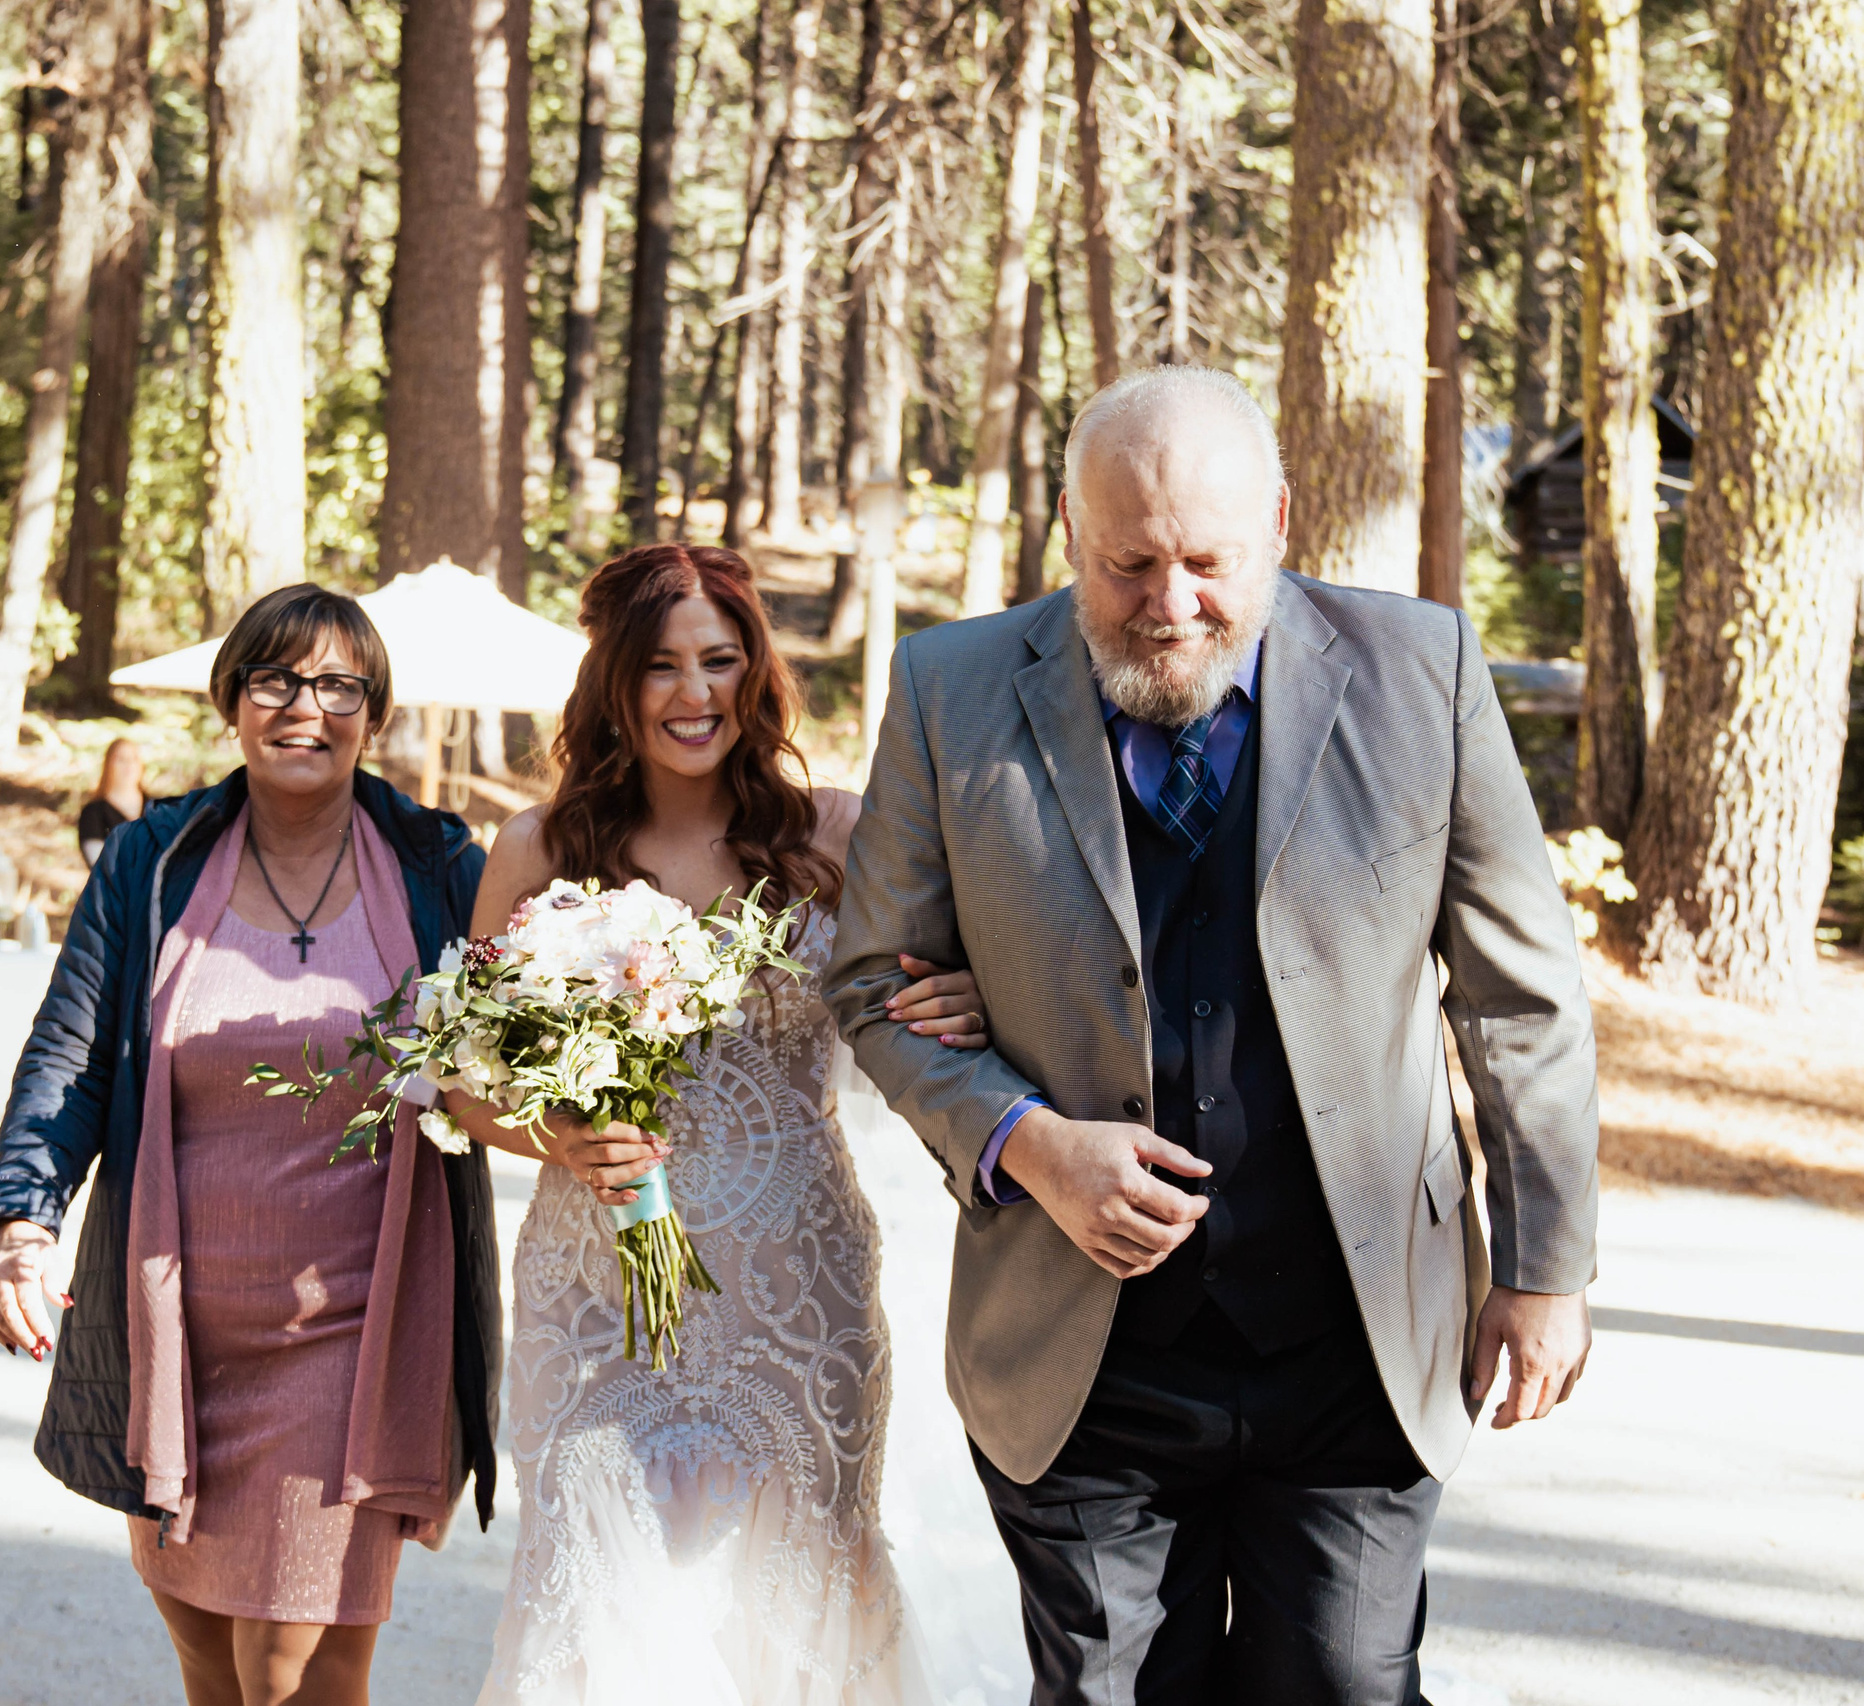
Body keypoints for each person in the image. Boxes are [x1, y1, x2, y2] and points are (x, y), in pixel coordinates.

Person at [825, 365, 1601, 1704]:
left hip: (1355, 1336)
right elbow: (868, 987)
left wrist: (1544, 1266)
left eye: (1205, 561)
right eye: (1130, 563)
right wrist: (1026, 1139)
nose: (1171, 603)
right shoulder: (949, 691)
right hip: (1080, 1357)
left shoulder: (1425, 672)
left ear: (1283, 521)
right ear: (1069, 530)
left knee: (1349, 1684)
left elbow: (1518, 993)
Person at [454, 543, 993, 1705]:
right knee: (596, 1591)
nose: (693, 692)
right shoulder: (538, 850)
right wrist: (557, 1136)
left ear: (755, 672)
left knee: (794, 1598)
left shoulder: (839, 837)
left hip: (795, 1288)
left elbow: (952, 990)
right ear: (614, 681)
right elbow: (464, 1082)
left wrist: (959, 993)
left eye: (718, 658)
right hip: (593, 1293)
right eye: (660, 665)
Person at [0, 584, 502, 1706]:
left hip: (356, 1331)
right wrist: (21, 1220)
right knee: (209, 1653)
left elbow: (517, 1049)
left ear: (375, 712)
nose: (305, 706)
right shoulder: (152, 864)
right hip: (172, 1323)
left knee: (297, 1669)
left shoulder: (438, 868)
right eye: (276, 679)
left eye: (338, 685)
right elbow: (67, 1054)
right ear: (233, 699)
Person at [78, 736, 147, 868]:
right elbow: (101, 866)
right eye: (121, 759)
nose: (129, 765)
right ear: (108, 764)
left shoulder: (157, 808)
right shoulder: (92, 813)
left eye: (134, 758)